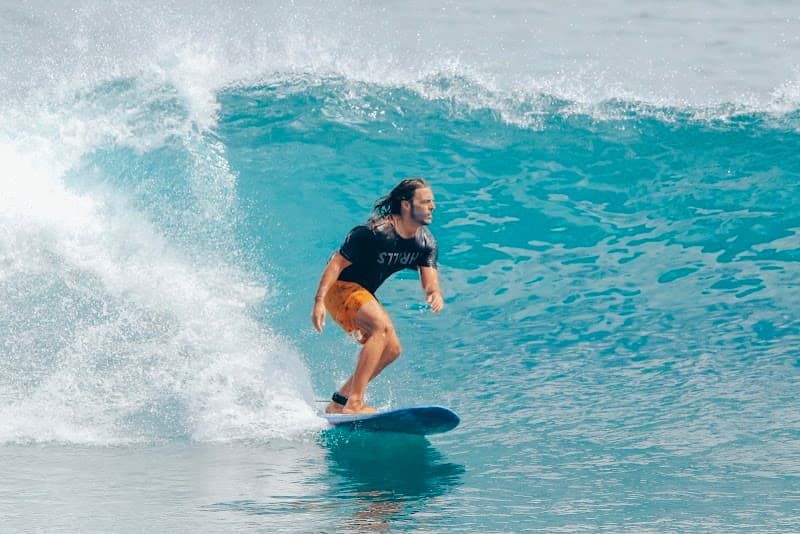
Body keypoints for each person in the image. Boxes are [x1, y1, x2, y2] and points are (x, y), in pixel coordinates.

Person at [311, 178, 444, 414]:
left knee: (392, 349)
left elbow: (430, 280)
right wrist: (319, 302)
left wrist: (434, 294)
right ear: (406, 205)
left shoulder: (425, 242)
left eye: (432, 201)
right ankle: (355, 402)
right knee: (380, 329)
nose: (432, 206)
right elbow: (336, 263)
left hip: (363, 294)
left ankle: (338, 402)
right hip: (340, 288)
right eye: (425, 202)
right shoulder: (374, 233)